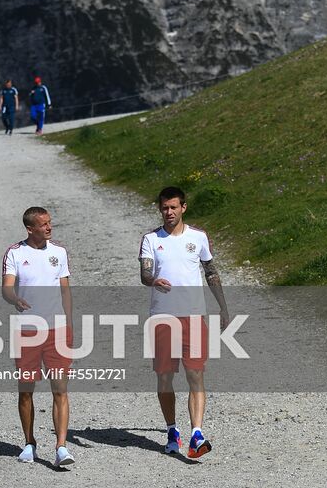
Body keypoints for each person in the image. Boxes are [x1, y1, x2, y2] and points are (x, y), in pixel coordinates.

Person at [139, 186, 230, 460]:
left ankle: (197, 433)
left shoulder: (199, 237)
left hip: (193, 316)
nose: (169, 212)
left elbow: (211, 273)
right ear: (160, 209)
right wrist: (154, 279)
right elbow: (144, 274)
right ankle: (171, 429)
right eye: (164, 208)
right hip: (163, 318)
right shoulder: (151, 239)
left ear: (183, 208)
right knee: (165, 377)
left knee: (195, 373)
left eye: (173, 207)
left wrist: (223, 308)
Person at [2, 206, 74, 468]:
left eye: (49, 223)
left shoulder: (59, 253)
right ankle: (29, 442)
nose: (49, 227)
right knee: (25, 392)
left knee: (60, 390)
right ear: (30, 228)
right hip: (27, 331)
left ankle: (61, 447)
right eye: (43, 224)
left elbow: (65, 292)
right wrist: (14, 299)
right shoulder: (15, 253)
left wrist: (69, 324)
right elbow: (7, 288)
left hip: (56, 330)